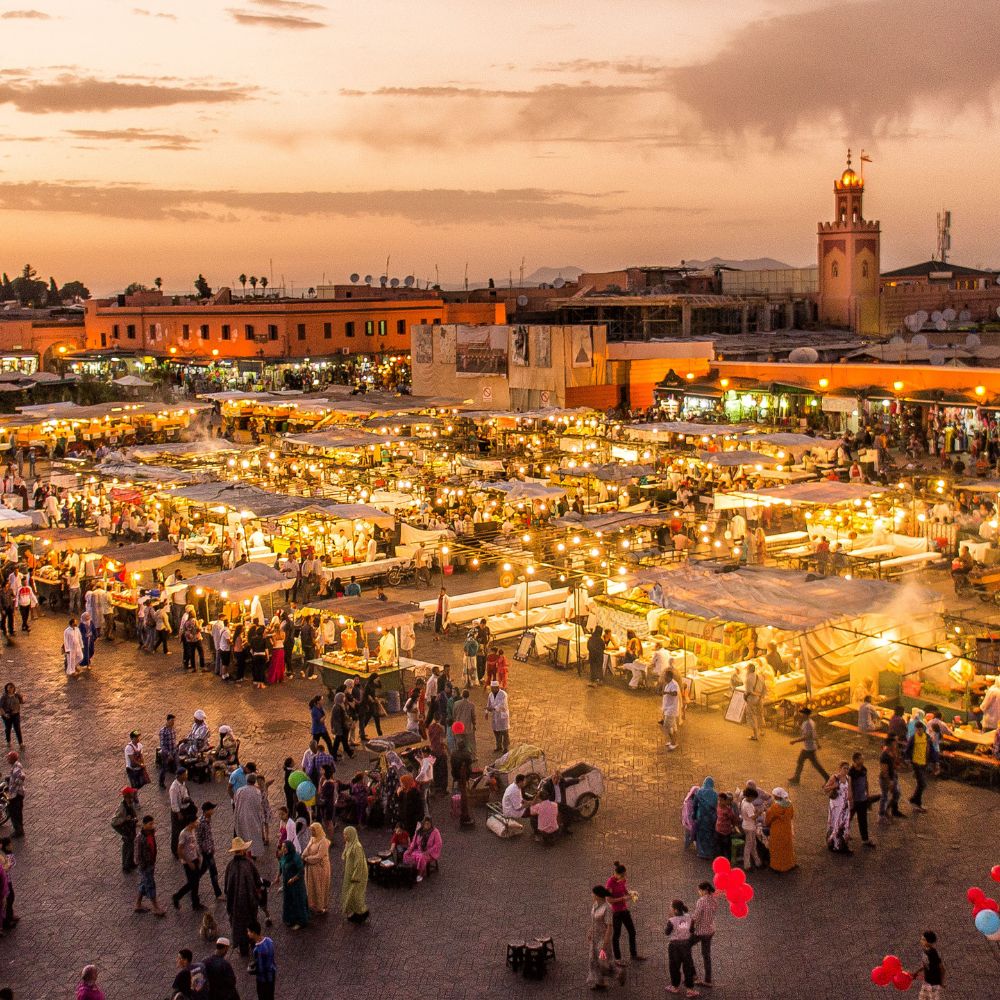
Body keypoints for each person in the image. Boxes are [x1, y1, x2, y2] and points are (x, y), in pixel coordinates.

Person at [606, 861, 645, 965]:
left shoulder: (622, 880)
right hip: (616, 913)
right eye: (622, 875)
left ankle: (633, 954)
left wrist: (631, 894)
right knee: (616, 935)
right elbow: (609, 899)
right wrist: (623, 898)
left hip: (624, 910)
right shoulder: (610, 883)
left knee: (632, 932)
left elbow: (624, 889)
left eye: (625, 875)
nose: (624, 877)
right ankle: (617, 959)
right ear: (616, 873)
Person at [664, 898, 698, 997]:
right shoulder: (688, 917)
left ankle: (675, 987)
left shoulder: (671, 920)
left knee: (674, 966)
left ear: (675, 910)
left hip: (674, 946)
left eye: (671, 907)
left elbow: (667, 933)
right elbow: (692, 930)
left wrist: (669, 919)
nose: (669, 908)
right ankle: (690, 990)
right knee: (688, 966)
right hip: (686, 945)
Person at [133, 814, 166, 916]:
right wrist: (142, 866)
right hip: (145, 866)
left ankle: (138, 905)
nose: (152, 825)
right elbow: (137, 855)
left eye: (153, 823)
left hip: (151, 863)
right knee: (150, 884)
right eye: (150, 824)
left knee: (144, 883)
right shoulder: (140, 838)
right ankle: (155, 907)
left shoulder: (151, 833)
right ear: (144, 825)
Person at [172, 809, 205, 910]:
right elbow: (180, 850)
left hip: (194, 858)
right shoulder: (183, 833)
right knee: (192, 883)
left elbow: (193, 845)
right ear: (191, 823)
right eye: (196, 821)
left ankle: (195, 903)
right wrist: (188, 862)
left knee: (195, 882)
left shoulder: (192, 831)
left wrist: (198, 856)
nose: (197, 822)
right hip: (188, 862)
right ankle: (177, 896)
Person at [788, 707, 829, 784]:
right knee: (803, 762)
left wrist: (794, 741)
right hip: (809, 747)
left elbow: (806, 736)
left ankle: (827, 778)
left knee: (814, 765)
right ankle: (796, 778)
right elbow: (814, 734)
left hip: (809, 748)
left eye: (802, 713)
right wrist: (818, 743)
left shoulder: (808, 724)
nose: (801, 714)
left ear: (806, 715)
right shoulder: (809, 722)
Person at [904, 720, 938, 813]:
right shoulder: (913, 738)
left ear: (923, 729)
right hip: (916, 763)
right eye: (917, 730)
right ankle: (917, 804)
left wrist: (935, 761)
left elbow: (932, 750)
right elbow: (907, 750)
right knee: (922, 784)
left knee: (920, 784)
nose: (919, 731)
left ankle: (914, 799)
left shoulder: (926, 737)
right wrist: (907, 760)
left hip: (924, 763)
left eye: (920, 729)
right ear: (915, 730)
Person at [587, 884, 617, 990]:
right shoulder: (595, 904)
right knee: (593, 959)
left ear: (598, 895)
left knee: (603, 961)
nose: (591, 895)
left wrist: (605, 943)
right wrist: (590, 931)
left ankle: (619, 974)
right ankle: (600, 983)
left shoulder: (607, 908)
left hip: (602, 939)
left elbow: (609, 927)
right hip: (595, 938)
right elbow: (593, 920)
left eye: (593, 893)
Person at [691, 881, 719, 989]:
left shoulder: (701, 901)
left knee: (686, 946)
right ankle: (708, 980)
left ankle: (693, 975)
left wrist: (691, 926)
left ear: (705, 890)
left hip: (700, 932)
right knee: (706, 955)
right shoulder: (714, 900)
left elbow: (696, 917)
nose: (699, 892)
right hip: (710, 931)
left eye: (700, 890)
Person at [233, 774, 269, 856]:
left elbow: (235, 801)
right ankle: (252, 853)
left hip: (241, 815)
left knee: (243, 834)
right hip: (253, 817)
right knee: (253, 836)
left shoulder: (240, 790)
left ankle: (244, 852)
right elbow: (260, 803)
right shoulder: (257, 792)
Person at [341, 825, 369, 923]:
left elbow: (359, 862)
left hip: (358, 875)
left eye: (346, 834)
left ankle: (362, 912)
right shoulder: (349, 844)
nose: (344, 836)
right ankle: (355, 912)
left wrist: (356, 876)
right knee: (350, 893)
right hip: (350, 873)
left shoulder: (357, 846)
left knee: (356, 894)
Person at [848, 751, 876, 848]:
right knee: (848, 817)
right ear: (856, 760)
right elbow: (849, 785)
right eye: (861, 758)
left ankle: (865, 839)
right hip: (854, 800)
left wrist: (867, 793)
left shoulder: (864, 769)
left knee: (863, 820)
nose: (863, 759)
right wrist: (850, 797)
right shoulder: (851, 771)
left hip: (862, 799)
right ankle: (843, 834)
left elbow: (866, 781)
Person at [301, 821, 331, 914]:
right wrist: (303, 855)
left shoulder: (323, 841)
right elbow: (307, 848)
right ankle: (313, 904)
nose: (312, 833)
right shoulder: (313, 839)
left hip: (320, 869)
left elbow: (319, 856)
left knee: (319, 887)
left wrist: (307, 858)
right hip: (311, 868)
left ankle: (320, 906)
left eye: (313, 831)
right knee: (311, 887)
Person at [823, 761, 852, 854]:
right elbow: (825, 789)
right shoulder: (834, 778)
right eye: (844, 768)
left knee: (844, 824)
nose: (846, 770)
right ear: (840, 768)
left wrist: (850, 802)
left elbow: (850, 792)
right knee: (836, 823)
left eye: (848, 768)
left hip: (845, 805)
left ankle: (842, 845)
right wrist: (834, 786)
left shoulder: (848, 778)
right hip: (836, 805)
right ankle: (834, 845)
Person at [764, 787, 796, 871]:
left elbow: (768, 819)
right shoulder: (790, 804)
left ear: (777, 796)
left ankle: (777, 866)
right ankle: (789, 864)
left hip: (777, 830)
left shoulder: (775, 807)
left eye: (774, 795)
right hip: (787, 829)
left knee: (776, 848)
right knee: (787, 847)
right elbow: (791, 816)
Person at [403, 815, 442, 882]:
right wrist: (410, 849)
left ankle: (420, 874)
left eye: (429, 824)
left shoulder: (435, 832)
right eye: (426, 824)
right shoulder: (419, 830)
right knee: (406, 854)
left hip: (429, 853)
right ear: (423, 823)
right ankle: (412, 869)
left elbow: (438, 844)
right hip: (418, 850)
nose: (427, 825)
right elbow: (414, 841)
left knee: (421, 857)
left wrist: (428, 851)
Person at [198, 801, 224, 898]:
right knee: (214, 872)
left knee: (202, 869)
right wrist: (204, 849)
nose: (213, 810)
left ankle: (192, 884)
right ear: (206, 811)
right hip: (206, 851)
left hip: (209, 850)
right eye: (211, 809)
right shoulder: (201, 822)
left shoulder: (208, 819)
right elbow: (199, 838)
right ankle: (218, 893)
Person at [911, 930, 945, 999]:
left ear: (928, 942)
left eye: (923, 939)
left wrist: (941, 982)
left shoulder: (933, 953)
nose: (921, 941)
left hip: (934, 984)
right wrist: (916, 972)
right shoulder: (925, 951)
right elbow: (926, 964)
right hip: (926, 982)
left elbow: (942, 969)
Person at [111, 787, 139, 873]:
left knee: (131, 846)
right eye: (133, 794)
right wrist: (125, 819)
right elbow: (114, 821)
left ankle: (131, 863)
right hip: (126, 830)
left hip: (130, 828)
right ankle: (125, 866)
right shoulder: (122, 807)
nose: (135, 795)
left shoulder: (130, 803)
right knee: (127, 847)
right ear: (128, 796)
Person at [247, 923, 277, 1000]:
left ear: (253, 933)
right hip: (272, 974)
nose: (248, 933)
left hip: (263, 979)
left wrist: (250, 970)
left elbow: (261, 969)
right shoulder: (268, 940)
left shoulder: (258, 950)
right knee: (270, 995)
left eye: (249, 931)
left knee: (263, 996)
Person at [879, 738, 906, 823]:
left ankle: (887, 809)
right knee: (884, 796)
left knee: (897, 794)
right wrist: (889, 781)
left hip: (893, 776)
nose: (896, 745)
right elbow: (884, 771)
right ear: (890, 745)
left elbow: (894, 764)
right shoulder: (884, 756)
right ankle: (881, 816)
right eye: (894, 743)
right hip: (886, 779)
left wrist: (898, 766)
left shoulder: (893, 752)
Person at [691, 778, 718, 859]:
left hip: (701, 816)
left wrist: (694, 815)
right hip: (711, 817)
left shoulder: (699, 792)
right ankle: (709, 853)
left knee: (701, 834)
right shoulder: (715, 794)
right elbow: (717, 805)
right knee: (709, 833)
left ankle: (701, 852)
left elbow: (695, 804)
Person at [168, 767, 192, 858]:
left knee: (185, 830)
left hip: (185, 808)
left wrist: (186, 798)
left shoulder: (183, 783)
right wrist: (178, 813)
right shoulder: (174, 788)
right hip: (178, 811)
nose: (186, 776)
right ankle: (175, 851)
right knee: (177, 832)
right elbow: (173, 803)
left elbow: (185, 793)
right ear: (180, 776)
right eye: (185, 774)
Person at [743, 661, 766, 741]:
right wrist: (761, 696)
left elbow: (749, 691)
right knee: (760, 714)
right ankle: (762, 730)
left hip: (752, 699)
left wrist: (747, 696)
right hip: (759, 698)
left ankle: (755, 735)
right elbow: (764, 688)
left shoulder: (748, 679)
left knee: (751, 716)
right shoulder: (760, 677)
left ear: (749, 670)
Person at [739, 786, 761, 870]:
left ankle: (757, 861)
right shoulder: (747, 805)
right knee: (749, 846)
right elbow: (753, 817)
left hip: (747, 825)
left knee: (752, 844)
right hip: (750, 827)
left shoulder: (744, 801)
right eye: (753, 798)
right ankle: (747, 865)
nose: (754, 800)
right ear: (750, 796)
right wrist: (759, 813)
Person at [486, 680, 510, 753]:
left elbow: (503, 704)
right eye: (491, 688)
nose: (492, 690)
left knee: (504, 732)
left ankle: (505, 747)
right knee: (496, 732)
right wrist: (486, 712)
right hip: (495, 716)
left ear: (497, 687)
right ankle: (498, 746)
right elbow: (488, 704)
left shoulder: (503, 694)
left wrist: (493, 708)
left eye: (493, 688)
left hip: (502, 716)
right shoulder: (490, 695)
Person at [661, 669, 681, 751]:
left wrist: (666, 693)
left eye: (665, 676)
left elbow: (675, 693)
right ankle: (673, 741)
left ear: (669, 677)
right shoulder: (668, 683)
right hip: (667, 708)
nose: (664, 678)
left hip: (671, 709)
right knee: (673, 726)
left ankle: (674, 742)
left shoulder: (674, 685)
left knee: (667, 725)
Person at [5, 752, 23, 838]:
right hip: (16, 793)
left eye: (8, 758)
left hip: (16, 794)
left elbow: (20, 779)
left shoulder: (16, 769)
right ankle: (19, 830)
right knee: (16, 813)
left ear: (12, 759)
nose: (7, 760)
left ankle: (18, 831)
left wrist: (12, 786)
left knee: (14, 813)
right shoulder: (16, 766)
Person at [0, 683, 23, 750]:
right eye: (9, 687)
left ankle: (21, 743)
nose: (10, 689)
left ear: (14, 688)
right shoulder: (4, 697)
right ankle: (8, 741)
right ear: (6, 688)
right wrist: (4, 714)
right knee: (8, 728)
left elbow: (22, 702)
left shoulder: (16, 695)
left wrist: (22, 697)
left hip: (16, 714)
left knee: (17, 729)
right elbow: (0, 707)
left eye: (11, 687)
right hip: (7, 715)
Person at [157, 714, 177, 789]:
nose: (173, 722)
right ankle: (161, 782)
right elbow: (162, 745)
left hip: (173, 752)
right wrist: (169, 754)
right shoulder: (163, 731)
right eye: (172, 720)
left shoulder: (173, 729)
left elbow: (174, 741)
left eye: (174, 721)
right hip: (166, 754)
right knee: (164, 768)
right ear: (167, 720)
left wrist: (175, 750)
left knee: (175, 767)